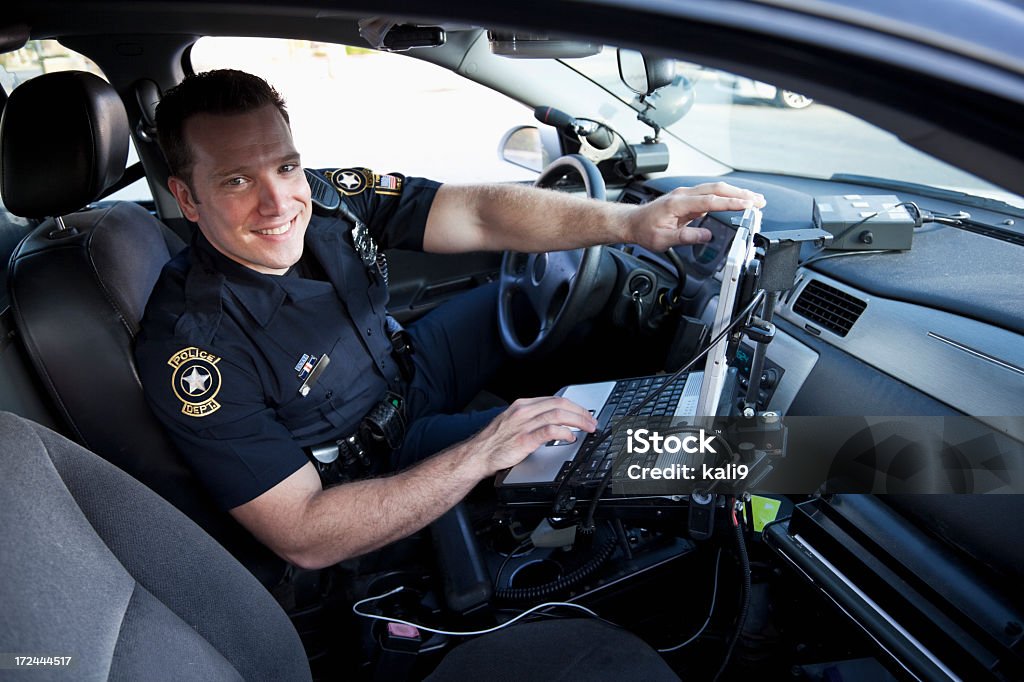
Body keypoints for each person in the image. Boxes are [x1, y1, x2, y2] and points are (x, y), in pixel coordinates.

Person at [136, 69, 765, 570]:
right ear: (187, 198)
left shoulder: (327, 198)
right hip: (375, 466)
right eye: (237, 180)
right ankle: (826, 458)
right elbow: (303, 533)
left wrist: (630, 223)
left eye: (285, 165)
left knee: (524, 295)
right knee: (598, 439)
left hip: (408, 370)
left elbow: (480, 214)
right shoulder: (194, 351)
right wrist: (484, 451)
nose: (279, 202)